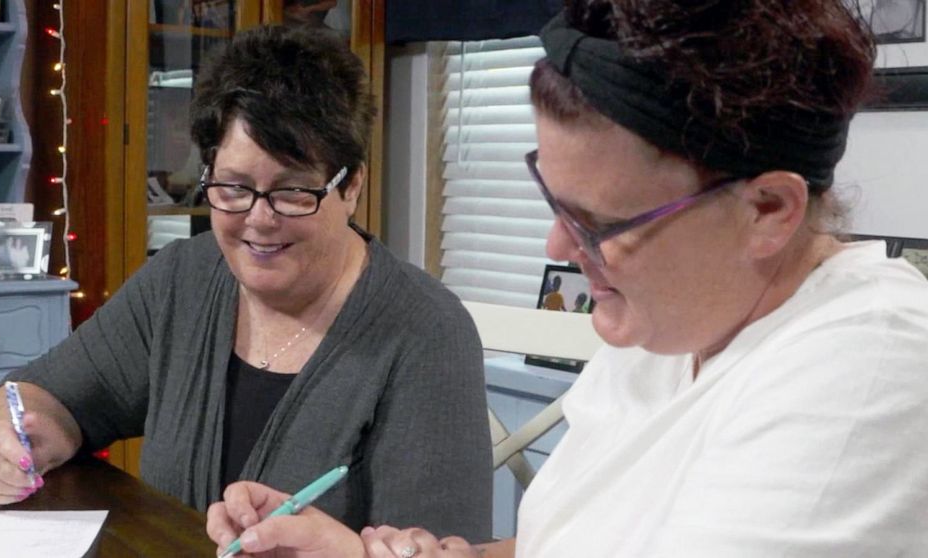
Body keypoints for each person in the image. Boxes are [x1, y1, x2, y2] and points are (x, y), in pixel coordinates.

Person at [205, 0, 928, 556]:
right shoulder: (670, 322)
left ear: (768, 209)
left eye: (601, 223)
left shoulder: (870, 370)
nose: (560, 243)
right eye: (555, 203)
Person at [0, 24, 493, 542]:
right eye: (234, 188)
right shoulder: (183, 279)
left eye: (292, 192)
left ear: (351, 184)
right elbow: (45, 394)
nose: (259, 220)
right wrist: (20, 436)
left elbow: (440, 551)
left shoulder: (427, 333)